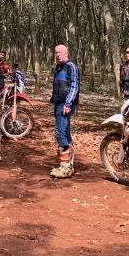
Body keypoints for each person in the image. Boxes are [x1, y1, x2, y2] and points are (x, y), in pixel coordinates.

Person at [50, 44, 79, 178]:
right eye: (56, 53)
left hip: (65, 104)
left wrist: (68, 103)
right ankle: (69, 164)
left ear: (66, 53)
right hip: (59, 103)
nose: (58, 55)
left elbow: (74, 85)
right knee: (65, 133)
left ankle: (65, 167)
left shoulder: (70, 66)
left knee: (59, 132)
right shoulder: (58, 68)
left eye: (60, 52)